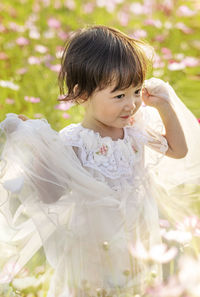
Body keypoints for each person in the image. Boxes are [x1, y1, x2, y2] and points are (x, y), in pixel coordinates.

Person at [0, 25, 200, 297]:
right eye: (119, 96)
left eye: (137, 91)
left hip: (137, 236)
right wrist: (35, 148)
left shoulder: (136, 130)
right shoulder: (75, 142)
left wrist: (164, 106)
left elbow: (178, 150)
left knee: (138, 286)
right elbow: (51, 195)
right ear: (83, 95)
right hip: (95, 247)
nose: (131, 104)